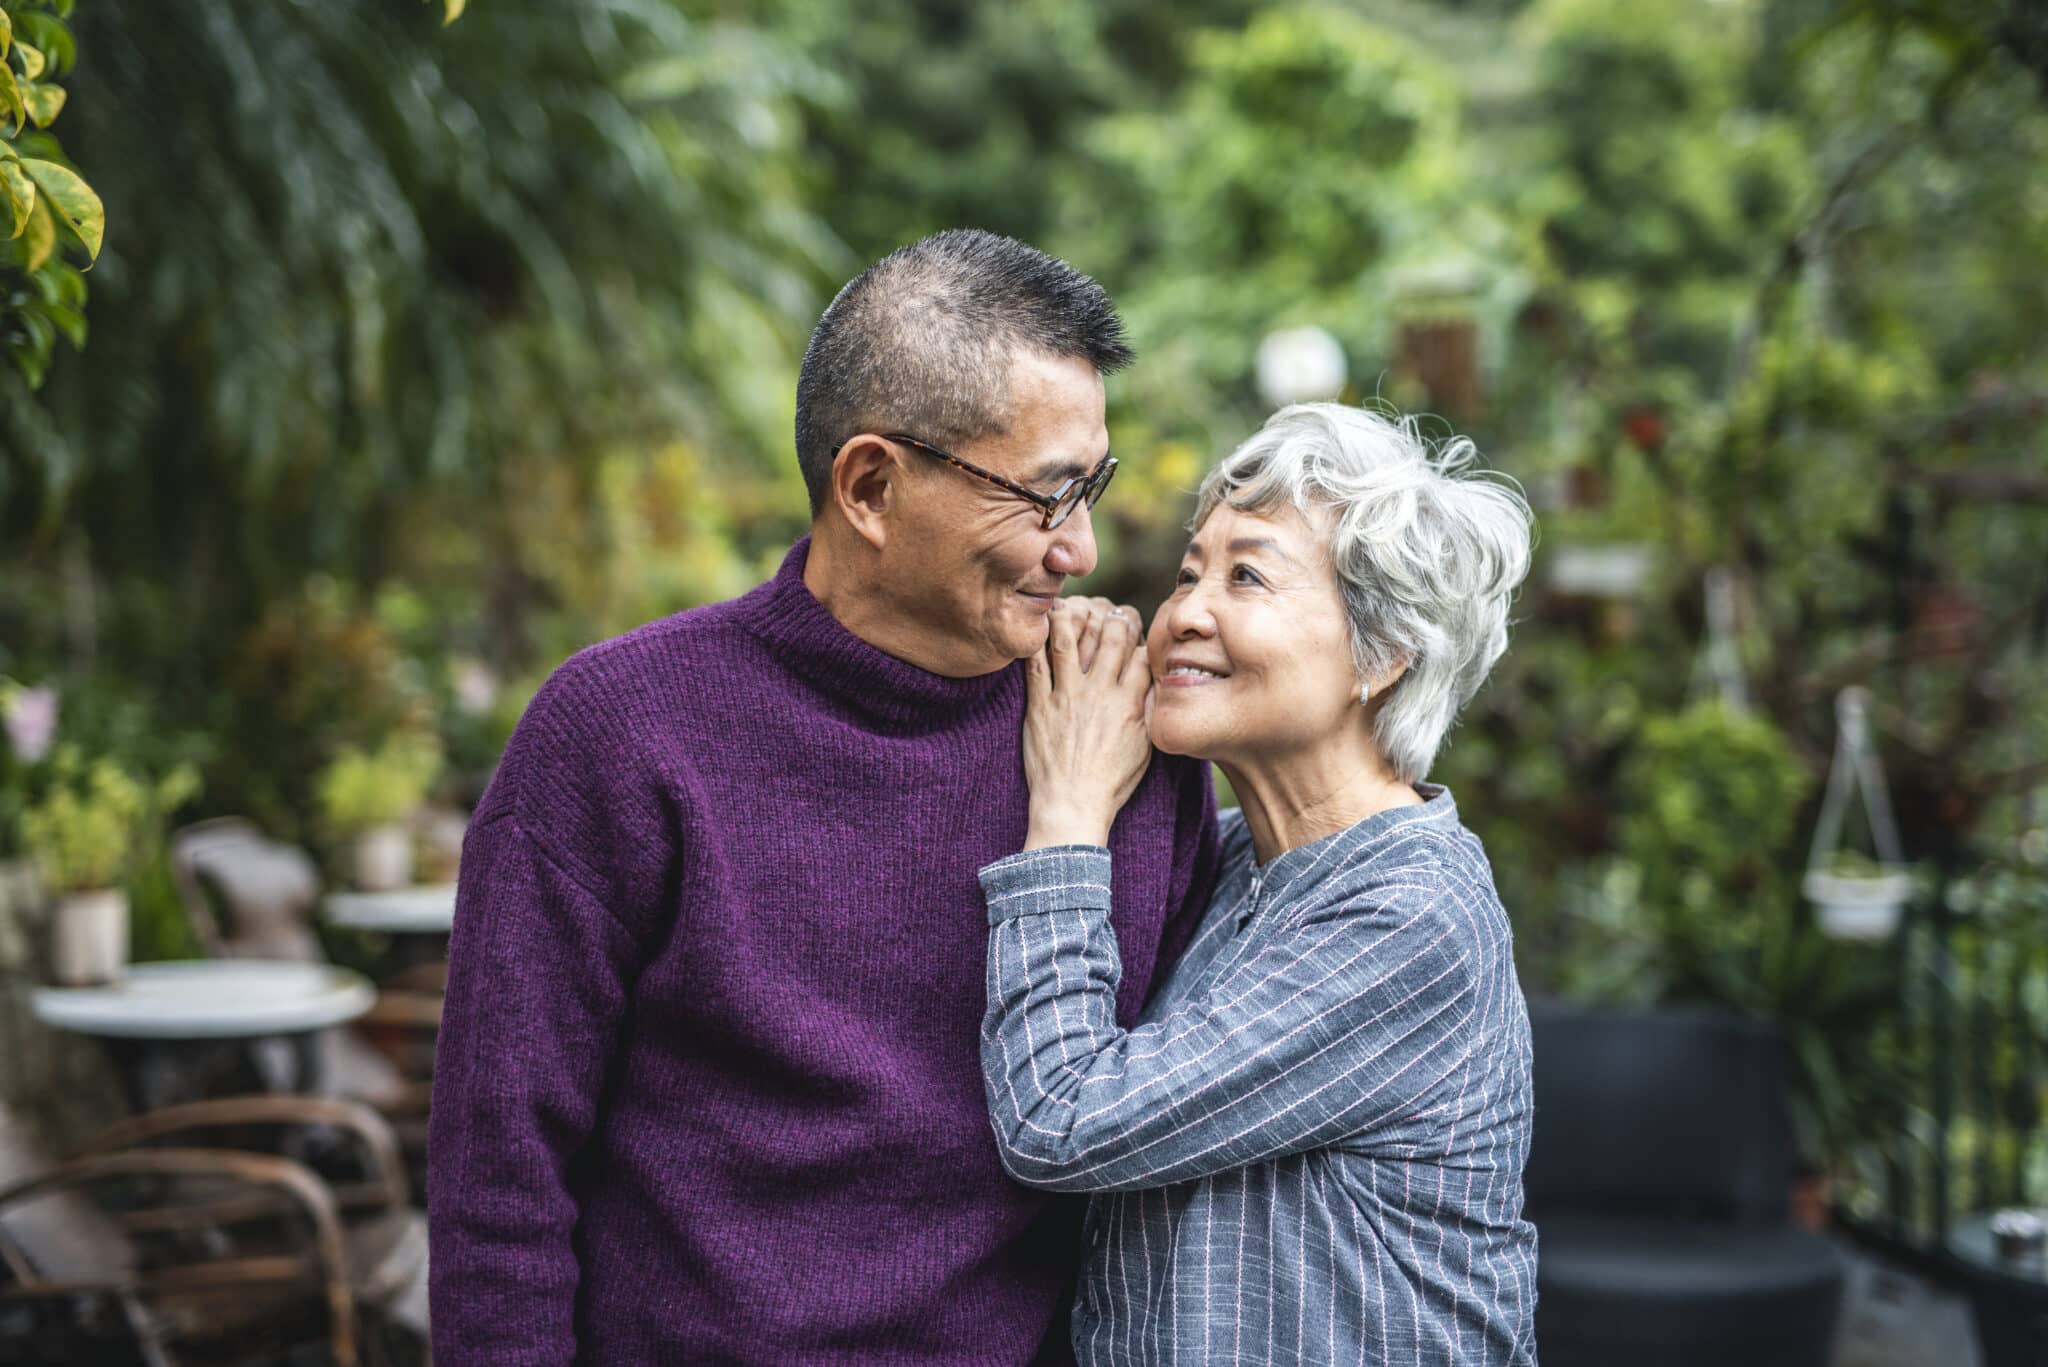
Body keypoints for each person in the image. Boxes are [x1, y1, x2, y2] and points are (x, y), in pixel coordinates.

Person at [427, 230, 1223, 1364]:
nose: (1081, 549)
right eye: (1045, 498)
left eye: (1089, 488)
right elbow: (500, 1185)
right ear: (869, 486)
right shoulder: (617, 733)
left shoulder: (1120, 743)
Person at [979, 402, 1540, 1364]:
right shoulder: (1236, 862)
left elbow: (1061, 1117)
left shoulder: (1412, 915)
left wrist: (1066, 816)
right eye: (1191, 570)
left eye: (1247, 575)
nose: (1186, 610)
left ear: (1382, 654)